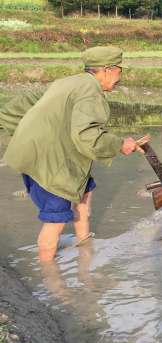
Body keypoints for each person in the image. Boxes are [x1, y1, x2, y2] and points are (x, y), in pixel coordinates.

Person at [0, 46, 146, 260]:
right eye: (119, 71)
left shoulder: (69, 81)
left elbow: (22, 104)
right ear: (107, 70)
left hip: (46, 154)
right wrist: (119, 145)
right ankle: (51, 278)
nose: (120, 77)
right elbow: (86, 135)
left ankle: (85, 253)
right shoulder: (91, 92)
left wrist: (23, 139)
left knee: (85, 193)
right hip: (50, 162)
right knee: (55, 221)